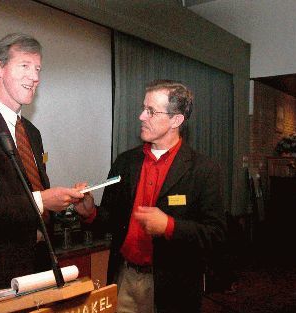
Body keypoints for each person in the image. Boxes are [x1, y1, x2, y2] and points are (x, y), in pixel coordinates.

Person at [0, 33, 85, 297]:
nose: (35, 77)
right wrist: (42, 201)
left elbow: (32, 192)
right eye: (25, 66)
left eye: (38, 69)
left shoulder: (32, 132)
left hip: (39, 270)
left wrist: (65, 200)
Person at [75, 80, 227, 313]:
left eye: (151, 111)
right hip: (124, 277)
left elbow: (215, 235)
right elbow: (114, 219)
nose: (141, 116)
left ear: (176, 120)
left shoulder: (203, 170)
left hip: (172, 287)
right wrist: (91, 212)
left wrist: (169, 226)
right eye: (143, 108)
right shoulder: (125, 162)